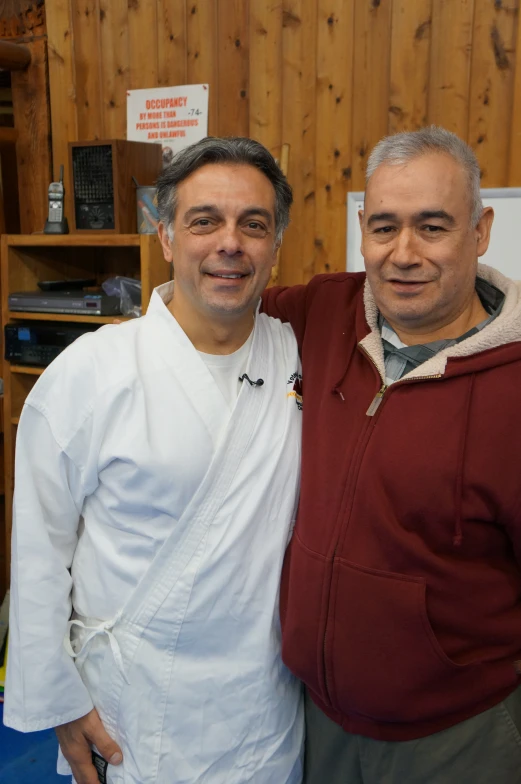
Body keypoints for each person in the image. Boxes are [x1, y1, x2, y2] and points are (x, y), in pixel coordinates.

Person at [5, 137, 304, 784]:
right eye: (204, 221)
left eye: (253, 224)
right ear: (166, 236)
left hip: (262, 710)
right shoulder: (91, 372)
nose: (230, 242)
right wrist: (60, 697)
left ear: (275, 244)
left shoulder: (301, 358)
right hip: (133, 714)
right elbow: (38, 549)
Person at [262, 126, 521, 783]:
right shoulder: (323, 309)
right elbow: (216, 310)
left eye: (431, 227)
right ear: (361, 229)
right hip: (314, 716)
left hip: (455, 735)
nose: (403, 254)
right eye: (383, 227)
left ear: (480, 229)